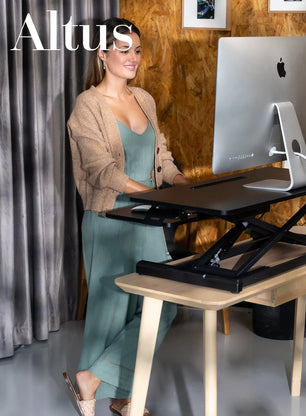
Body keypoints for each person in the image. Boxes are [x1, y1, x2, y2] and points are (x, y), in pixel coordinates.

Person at [63, 17, 187, 416]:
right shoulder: (87, 106)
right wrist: (153, 192)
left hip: (146, 220)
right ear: (102, 54)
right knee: (112, 309)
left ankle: (93, 379)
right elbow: (103, 171)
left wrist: (181, 181)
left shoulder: (145, 99)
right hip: (110, 221)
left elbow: (160, 155)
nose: (132, 58)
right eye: (123, 50)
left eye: (136, 50)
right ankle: (120, 396)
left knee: (161, 304)